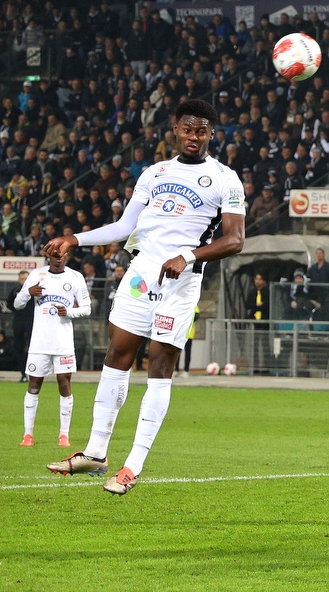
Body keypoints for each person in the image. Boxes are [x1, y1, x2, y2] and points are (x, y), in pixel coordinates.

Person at [43, 99, 246, 495]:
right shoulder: (155, 173)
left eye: (202, 130)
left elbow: (235, 239)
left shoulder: (225, 179)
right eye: (188, 128)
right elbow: (124, 225)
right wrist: (74, 238)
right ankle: (96, 453)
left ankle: (132, 465)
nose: (194, 136)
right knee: (117, 356)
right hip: (140, 277)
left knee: (158, 366)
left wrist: (186, 257)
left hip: (180, 283)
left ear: (211, 134)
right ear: (175, 128)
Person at [12, 249, 91, 447]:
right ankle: (28, 435)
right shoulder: (36, 275)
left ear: (67, 256)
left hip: (63, 343)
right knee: (34, 385)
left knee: (64, 385)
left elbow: (87, 308)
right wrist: (28, 293)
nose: (58, 257)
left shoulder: (75, 277)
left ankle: (64, 435)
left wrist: (70, 312)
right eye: (55, 254)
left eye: (62, 254)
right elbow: (17, 304)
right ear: (49, 256)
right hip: (39, 342)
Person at [7, 270, 35, 383]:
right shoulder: (15, 291)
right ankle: (23, 373)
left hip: (31, 321)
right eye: (22, 279)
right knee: (18, 347)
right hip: (18, 321)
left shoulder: (34, 291)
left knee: (31, 347)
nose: (24, 281)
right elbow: (9, 304)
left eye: (26, 279)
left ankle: (32, 372)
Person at [181, 305, 200, 378]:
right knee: (176, 351)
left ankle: (186, 370)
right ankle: (175, 370)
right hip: (179, 332)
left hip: (189, 333)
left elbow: (197, 315)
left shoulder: (193, 303)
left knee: (187, 352)